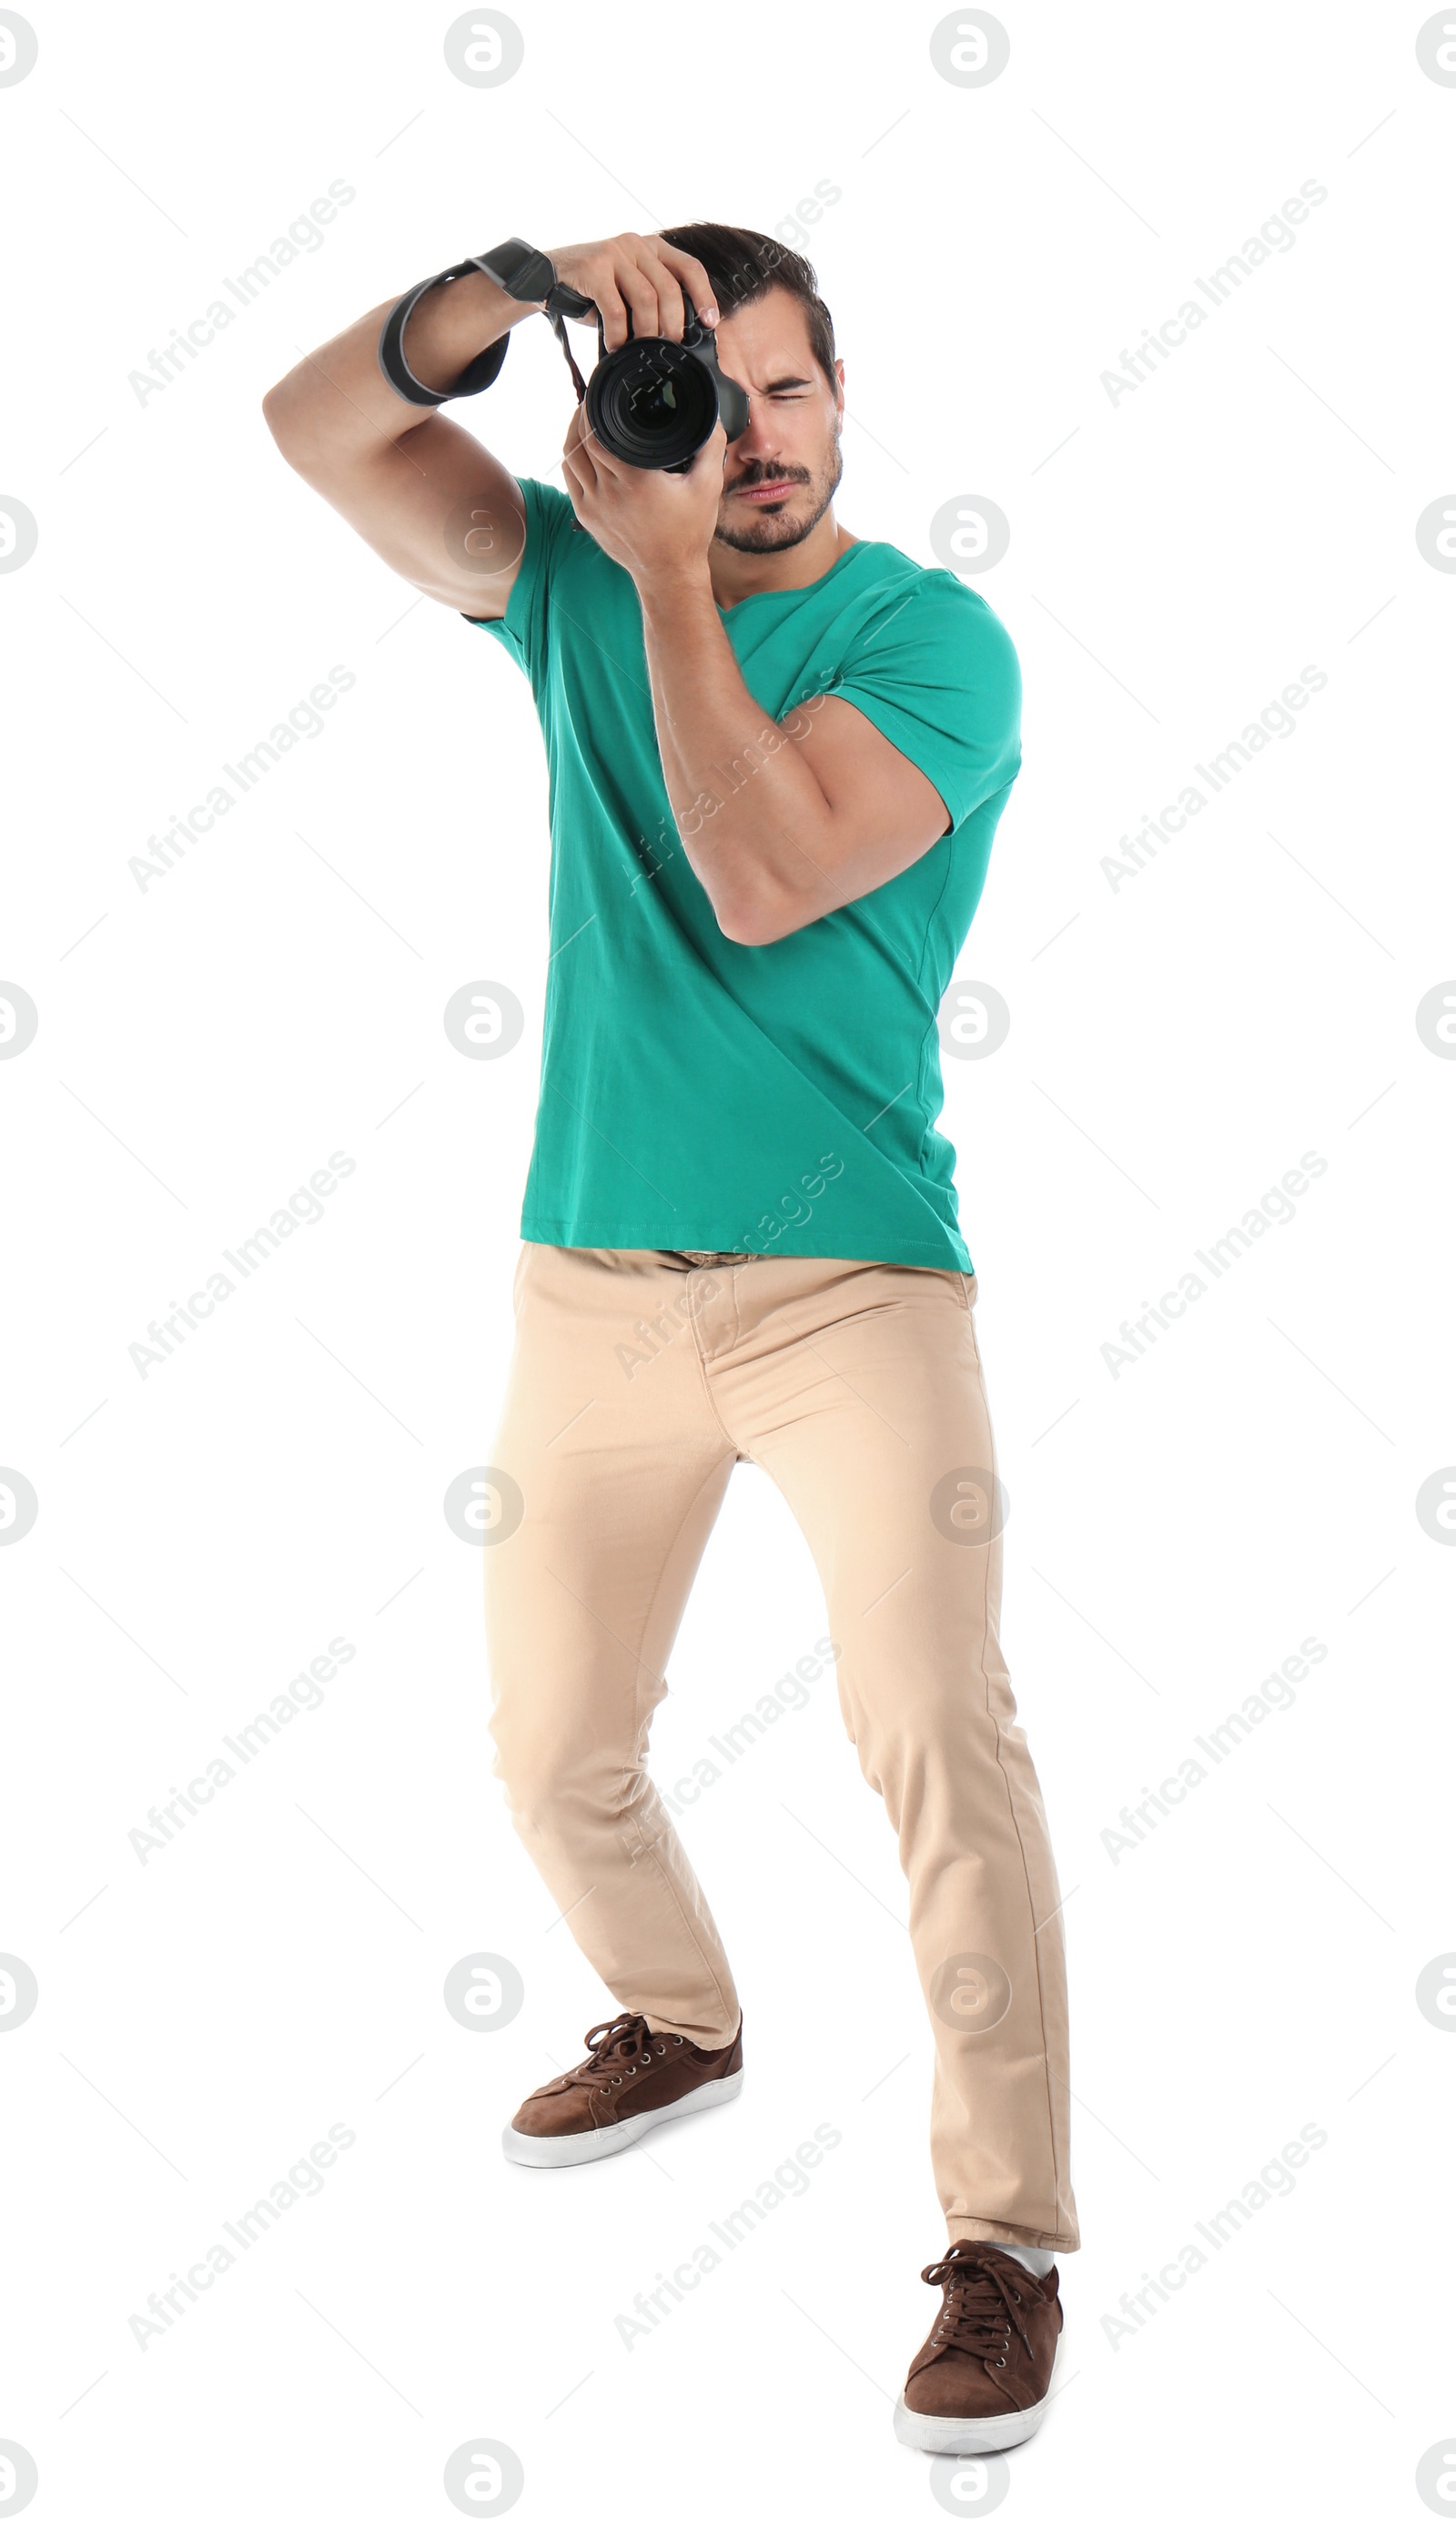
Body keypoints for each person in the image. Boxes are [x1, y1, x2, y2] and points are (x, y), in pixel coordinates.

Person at [263, 221, 1079, 2455]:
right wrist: (493, 289)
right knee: (546, 1752)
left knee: (931, 1726)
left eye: (785, 393)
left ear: (837, 403)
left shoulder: (933, 642)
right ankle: (680, 2019)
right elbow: (317, 423)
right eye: (699, 400)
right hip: (588, 1278)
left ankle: (1001, 2244)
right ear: (633, 419)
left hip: (852, 1290)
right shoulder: (557, 573)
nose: (747, 444)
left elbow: (752, 870)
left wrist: (648, 590)